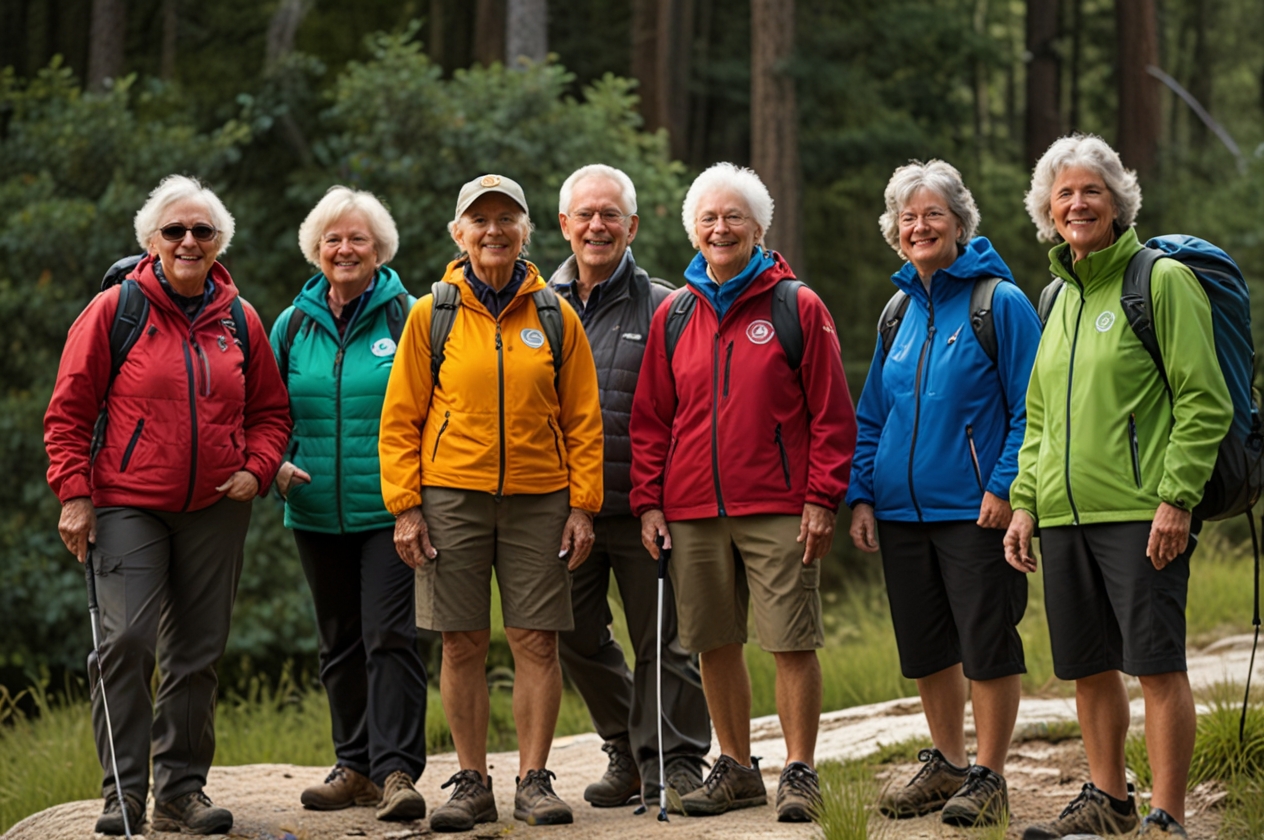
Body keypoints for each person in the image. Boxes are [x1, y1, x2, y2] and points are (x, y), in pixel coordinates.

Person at [44, 175, 291, 835]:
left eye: (201, 231)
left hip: (217, 507)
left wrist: (258, 470)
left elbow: (271, 412)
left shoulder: (240, 318)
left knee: (198, 652)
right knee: (124, 642)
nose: (188, 240)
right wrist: (74, 495)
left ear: (218, 244)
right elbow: (68, 412)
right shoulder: (115, 311)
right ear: (151, 241)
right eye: (175, 230)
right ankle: (121, 794)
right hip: (126, 504)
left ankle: (181, 791)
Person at [1005, 134, 1232, 840]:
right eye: (1065, 193)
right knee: (1090, 667)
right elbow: (1039, 415)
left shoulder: (1159, 281)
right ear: (1048, 208)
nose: (1078, 203)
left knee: (1156, 666)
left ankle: (1168, 816)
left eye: (1092, 191)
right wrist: (1025, 501)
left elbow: (1205, 400)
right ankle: (1109, 800)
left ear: (1118, 202)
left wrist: (1177, 497)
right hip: (1066, 518)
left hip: (1142, 513)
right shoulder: (1053, 296)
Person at [630, 162, 857, 823]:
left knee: (790, 640)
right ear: (693, 231)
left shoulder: (796, 306)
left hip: (780, 506)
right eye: (708, 218)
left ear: (758, 227)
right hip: (692, 509)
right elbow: (651, 418)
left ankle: (799, 770)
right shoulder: (675, 313)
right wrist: (648, 501)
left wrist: (822, 498)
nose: (721, 228)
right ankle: (734, 765)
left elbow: (832, 414)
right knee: (712, 641)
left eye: (734, 217)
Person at [379, 174, 604, 832]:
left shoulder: (556, 316)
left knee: (536, 642)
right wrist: (407, 506)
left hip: (541, 500)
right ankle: (472, 781)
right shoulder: (434, 312)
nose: (494, 230)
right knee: (462, 643)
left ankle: (534, 781)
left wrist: (583, 505)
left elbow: (583, 420)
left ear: (527, 231)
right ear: (459, 233)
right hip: (451, 497)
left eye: (508, 218)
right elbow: (401, 420)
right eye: (481, 219)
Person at [847, 160, 1041, 827]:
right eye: (908, 217)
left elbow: (1031, 408)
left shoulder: (999, 303)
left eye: (933, 214)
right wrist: (862, 495)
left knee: (986, 643)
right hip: (901, 512)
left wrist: (1004, 486)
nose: (920, 226)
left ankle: (989, 774)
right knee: (928, 646)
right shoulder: (896, 310)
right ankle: (948, 762)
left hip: (975, 511)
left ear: (960, 222)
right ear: (895, 233)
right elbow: (873, 413)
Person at [548, 164, 711, 810]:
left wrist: (662, 500)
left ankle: (675, 760)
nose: (597, 226)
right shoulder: (539, 306)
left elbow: (689, 411)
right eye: (585, 215)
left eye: (610, 214)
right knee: (571, 634)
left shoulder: (668, 305)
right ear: (563, 225)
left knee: (664, 642)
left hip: (648, 506)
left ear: (632, 225)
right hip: (563, 511)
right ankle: (625, 745)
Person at [269, 187, 428, 820]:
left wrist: (419, 495)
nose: (345, 249)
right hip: (313, 509)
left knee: (390, 635)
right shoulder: (291, 324)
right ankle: (354, 765)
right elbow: (265, 409)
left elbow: (433, 406)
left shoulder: (409, 317)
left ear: (379, 247)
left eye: (357, 238)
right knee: (337, 640)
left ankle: (395, 773)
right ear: (316, 248)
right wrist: (274, 459)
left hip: (392, 509)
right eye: (333, 239)